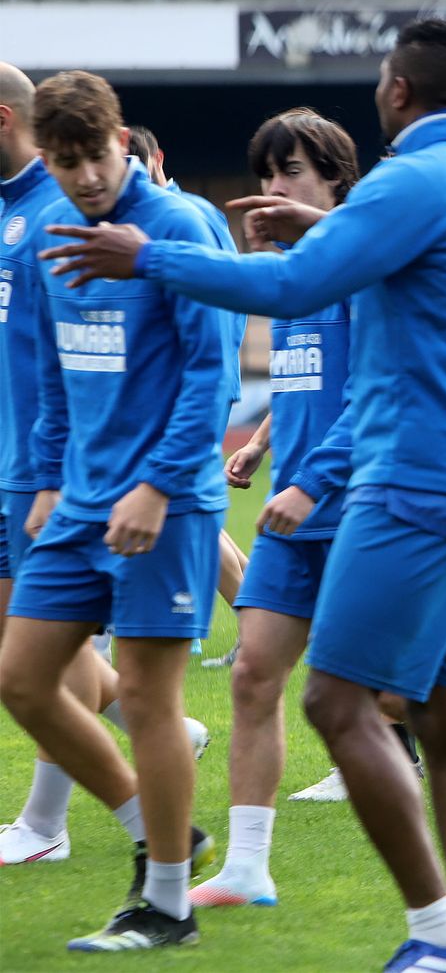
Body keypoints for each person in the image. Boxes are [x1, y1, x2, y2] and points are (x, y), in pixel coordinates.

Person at [44, 20, 446, 973]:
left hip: (408, 480)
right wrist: (328, 227)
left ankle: (438, 933)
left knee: (337, 704)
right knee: (441, 715)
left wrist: (142, 256)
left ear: (396, 90)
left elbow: (294, 291)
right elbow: (404, 267)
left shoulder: (409, 180)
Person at [0, 70, 229, 951]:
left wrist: (158, 485)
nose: (86, 177)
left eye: (96, 156)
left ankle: (168, 904)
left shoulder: (177, 229)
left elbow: (211, 378)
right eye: (65, 163)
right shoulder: (55, 231)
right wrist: (52, 478)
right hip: (78, 503)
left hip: (162, 506)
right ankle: (158, 834)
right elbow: (56, 377)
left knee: (146, 692)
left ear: (122, 140)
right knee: (22, 678)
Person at [126, 125, 251, 638]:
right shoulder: (161, 216)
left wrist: (218, 373)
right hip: (190, 383)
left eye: (137, 163)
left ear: (157, 157)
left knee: (184, 506)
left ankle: (259, 628)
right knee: (199, 515)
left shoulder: (190, 215)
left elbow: (226, 295)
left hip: (193, 387)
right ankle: (260, 621)